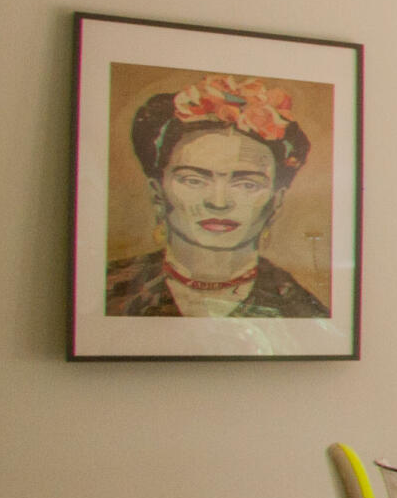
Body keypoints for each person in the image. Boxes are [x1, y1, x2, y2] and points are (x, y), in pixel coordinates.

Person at [104, 74, 330, 318]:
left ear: (276, 201)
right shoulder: (105, 288)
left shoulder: (301, 312)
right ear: (158, 192)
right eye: (194, 180)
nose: (218, 202)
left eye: (246, 184)